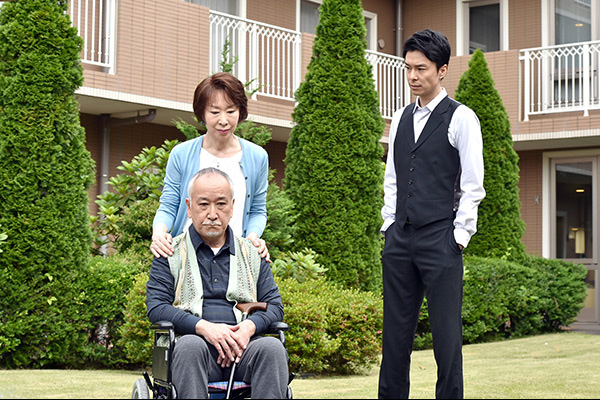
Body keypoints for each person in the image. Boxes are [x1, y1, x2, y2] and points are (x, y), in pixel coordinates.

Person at [378, 29, 485, 399]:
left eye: (421, 68)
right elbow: (392, 177)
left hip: (441, 238)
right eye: (408, 68)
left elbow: (473, 184)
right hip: (399, 239)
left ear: (441, 70)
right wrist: (389, 225)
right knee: (394, 337)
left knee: (446, 338)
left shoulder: (461, 118)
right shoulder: (400, 118)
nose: (412, 76)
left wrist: (459, 236)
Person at [146, 167, 288, 399]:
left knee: (272, 348)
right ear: (189, 207)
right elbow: (156, 307)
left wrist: (248, 328)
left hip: (243, 350)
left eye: (221, 204)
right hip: (194, 348)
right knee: (190, 346)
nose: (212, 214)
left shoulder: (253, 253)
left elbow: (275, 306)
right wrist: (205, 328)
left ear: (232, 207)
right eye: (203, 204)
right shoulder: (169, 252)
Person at [151, 72, 269, 261]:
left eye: (231, 111)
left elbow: (257, 210)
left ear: (240, 111)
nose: (224, 120)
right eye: (214, 112)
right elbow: (169, 204)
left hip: (235, 258)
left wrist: (252, 238)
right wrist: (159, 234)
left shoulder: (257, 156)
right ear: (202, 114)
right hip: (186, 256)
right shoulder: (181, 154)